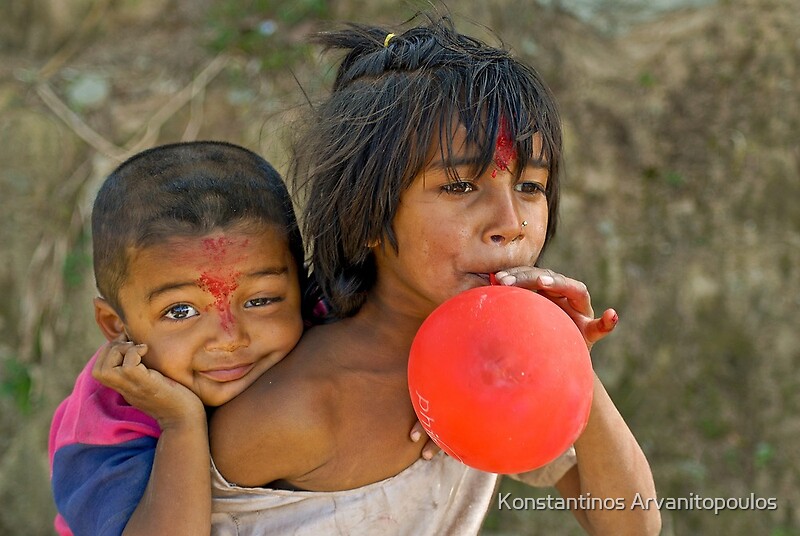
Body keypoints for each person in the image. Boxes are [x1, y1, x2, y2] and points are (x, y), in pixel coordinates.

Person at [210, 14, 661, 535]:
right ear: (367, 216)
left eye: (531, 187)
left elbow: (630, 527)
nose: (509, 224)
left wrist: (570, 364)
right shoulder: (301, 407)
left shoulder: (498, 368)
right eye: (460, 187)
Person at [48, 141, 309, 536]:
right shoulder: (101, 429)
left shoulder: (323, 324)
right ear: (116, 325)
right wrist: (180, 423)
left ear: (304, 288)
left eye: (259, 300)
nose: (229, 338)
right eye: (180, 311)